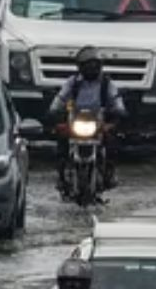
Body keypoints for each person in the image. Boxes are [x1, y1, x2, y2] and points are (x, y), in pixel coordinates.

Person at [48, 46, 127, 191]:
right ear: (80, 67)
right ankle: (62, 176)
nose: (91, 69)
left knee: (112, 142)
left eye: (95, 65)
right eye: (87, 65)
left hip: (98, 124)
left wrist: (115, 116)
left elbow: (117, 102)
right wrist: (56, 115)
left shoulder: (106, 84)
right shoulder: (72, 82)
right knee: (61, 144)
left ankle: (109, 174)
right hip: (75, 123)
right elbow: (59, 100)